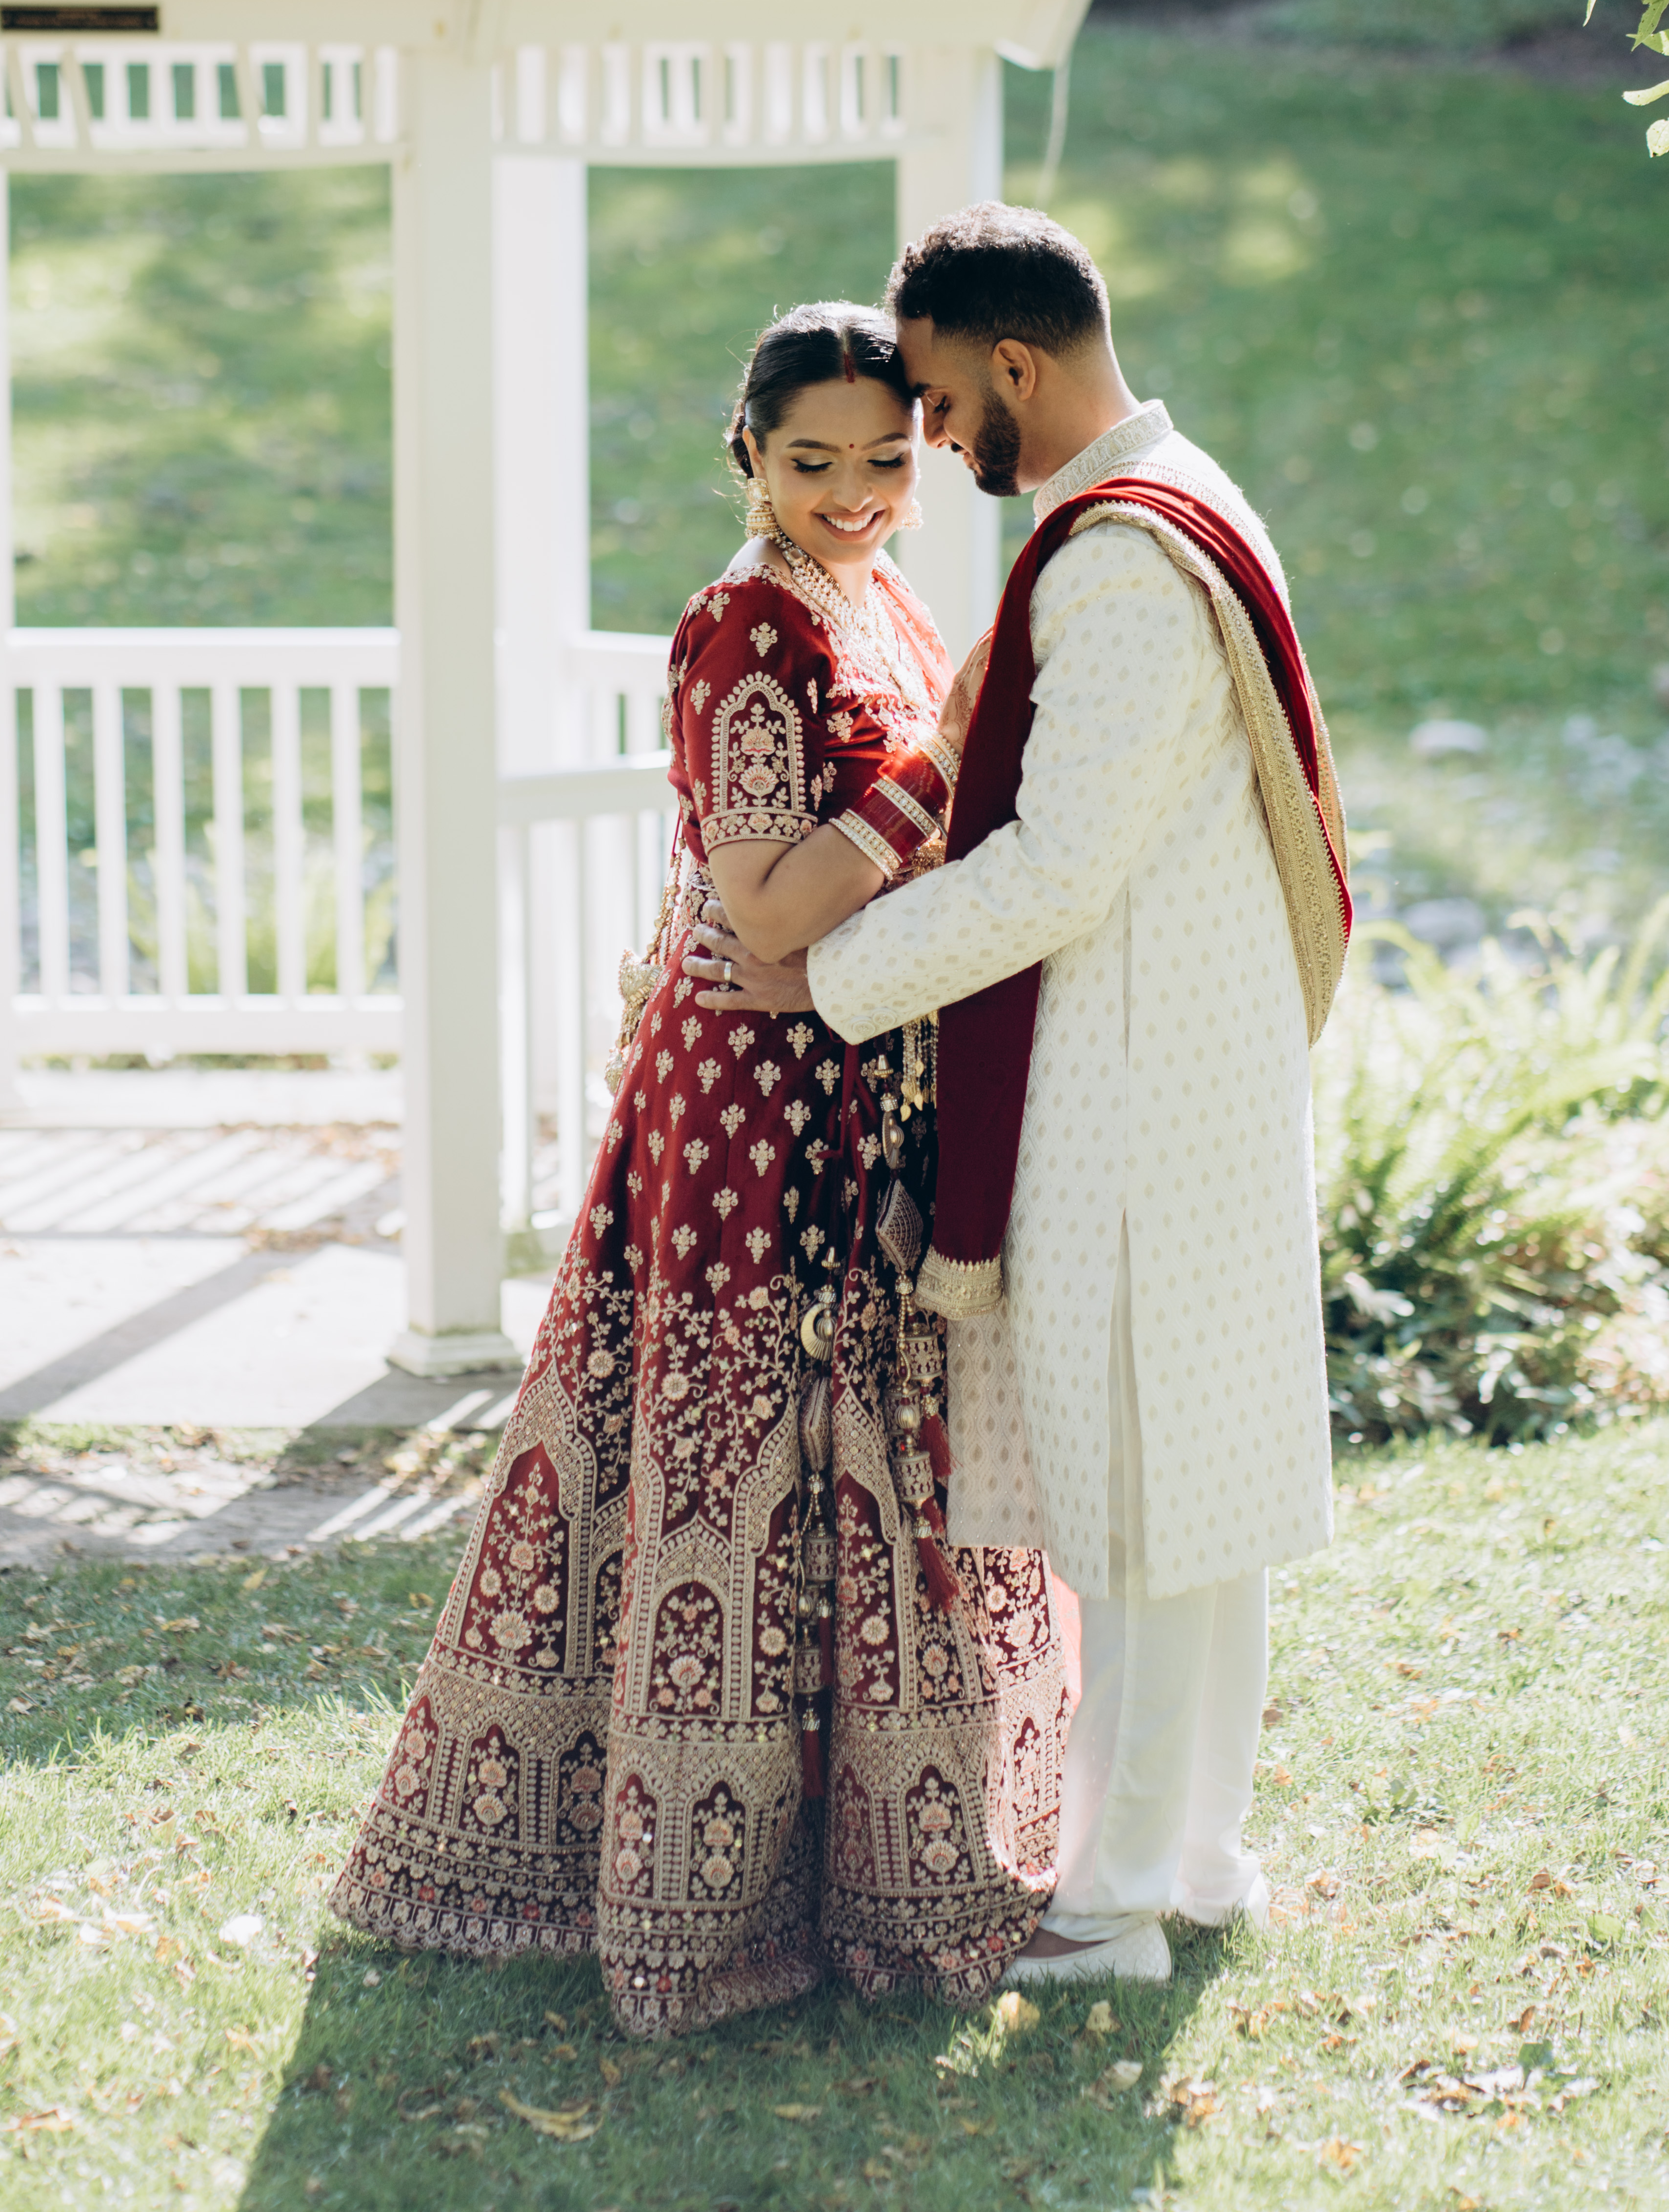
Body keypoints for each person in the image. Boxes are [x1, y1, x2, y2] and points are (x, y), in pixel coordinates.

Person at [331, 302, 1067, 2036]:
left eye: (884, 458)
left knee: (871, 1449)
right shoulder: (742, 624)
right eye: (811, 461)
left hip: (857, 1067)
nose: (854, 491)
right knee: (741, 1463)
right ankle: (702, 1891)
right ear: (746, 451)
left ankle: (891, 1863)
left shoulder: (880, 597)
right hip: (751, 1100)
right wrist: (940, 760)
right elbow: (768, 905)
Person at [696, 207, 1350, 1986]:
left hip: (1135, 1087)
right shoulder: (1187, 493)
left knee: (1134, 1503)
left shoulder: (1117, 558)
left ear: (1010, 364)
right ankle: (1191, 1856)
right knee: (1193, 1496)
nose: (926, 440)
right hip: (1190, 1064)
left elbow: (1057, 867)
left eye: (932, 401)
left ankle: (1110, 1901)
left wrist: (829, 977)